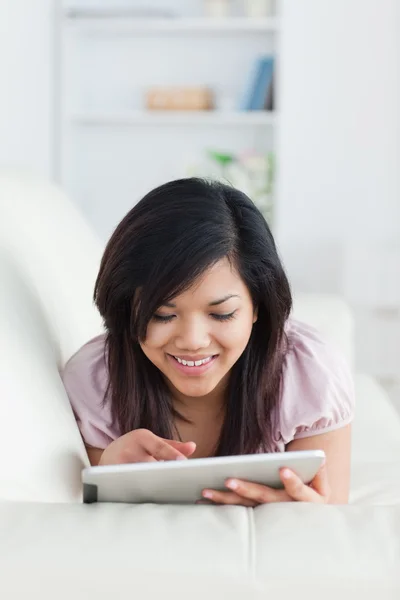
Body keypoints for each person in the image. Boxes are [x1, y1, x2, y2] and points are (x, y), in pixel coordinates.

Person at [62, 178, 354, 506]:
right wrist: (107, 469)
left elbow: (332, 519)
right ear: (128, 308)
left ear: (257, 306)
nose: (192, 341)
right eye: (162, 315)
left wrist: (305, 519)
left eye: (222, 314)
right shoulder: (95, 381)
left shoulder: (310, 374)